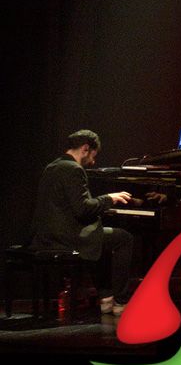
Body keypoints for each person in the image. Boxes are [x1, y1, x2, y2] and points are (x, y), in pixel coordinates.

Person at [29, 130, 135, 315]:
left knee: (101, 234)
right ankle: (120, 301)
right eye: (94, 156)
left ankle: (106, 298)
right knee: (123, 238)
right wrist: (109, 198)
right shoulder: (74, 169)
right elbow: (83, 209)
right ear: (86, 148)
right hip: (66, 237)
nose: (93, 162)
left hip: (47, 235)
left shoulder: (52, 166)